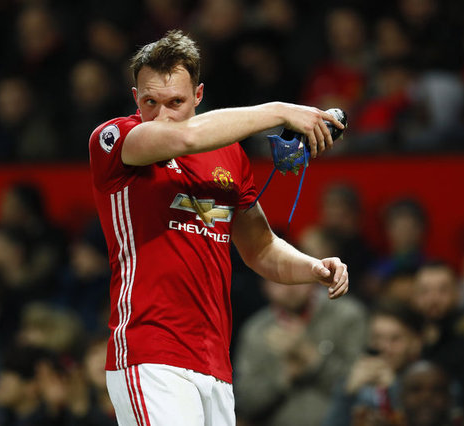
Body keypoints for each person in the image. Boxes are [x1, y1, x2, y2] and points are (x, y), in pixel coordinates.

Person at [88, 29, 348, 426]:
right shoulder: (115, 140)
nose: (162, 115)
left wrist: (312, 267)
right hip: (150, 355)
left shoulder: (229, 154)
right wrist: (280, 110)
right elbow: (186, 137)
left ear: (198, 95)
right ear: (135, 97)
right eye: (150, 102)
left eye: (176, 102)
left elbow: (260, 248)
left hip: (214, 365)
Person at [233, 277, 367, 426]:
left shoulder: (347, 315)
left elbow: (362, 387)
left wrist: (312, 358)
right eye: (278, 280)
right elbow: (245, 403)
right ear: (264, 286)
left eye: (298, 277)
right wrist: (284, 376)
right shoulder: (255, 330)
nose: (290, 287)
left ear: (315, 278)